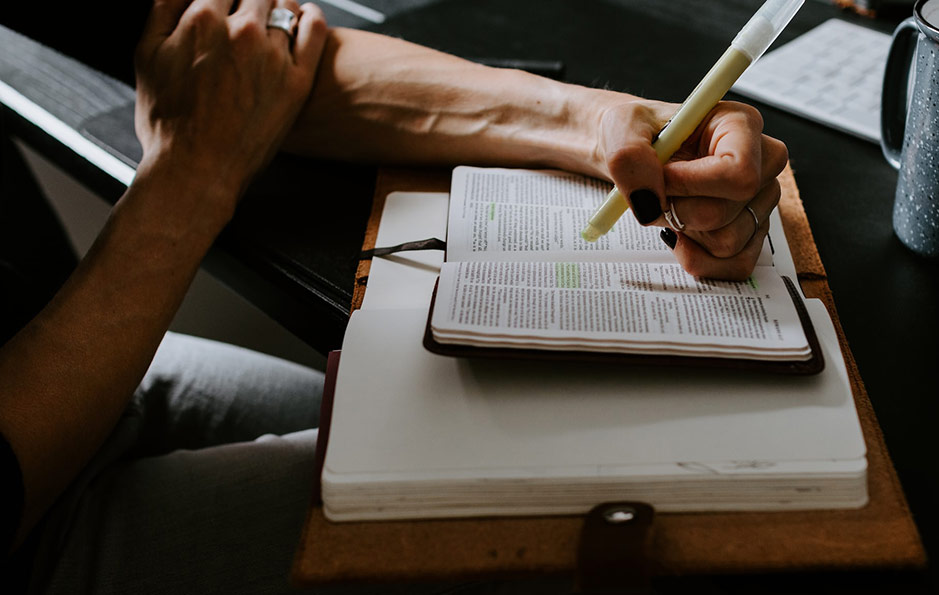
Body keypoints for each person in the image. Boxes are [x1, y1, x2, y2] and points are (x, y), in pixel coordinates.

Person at [0, 0, 787, 592]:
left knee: (433, 431)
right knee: (561, 506)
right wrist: (189, 181)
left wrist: (601, 124)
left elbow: (251, 56)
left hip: (66, 367)